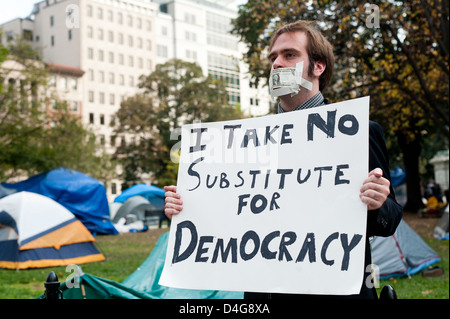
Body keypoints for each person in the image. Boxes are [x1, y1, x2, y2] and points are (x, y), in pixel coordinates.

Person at [164, 20, 403, 299]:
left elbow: (390, 220)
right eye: (273, 57)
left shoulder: (359, 131)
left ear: (318, 66)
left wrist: (378, 203)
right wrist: (183, 209)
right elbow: (228, 214)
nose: (276, 63)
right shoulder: (245, 140)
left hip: (335, 290)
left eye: (290, 55)